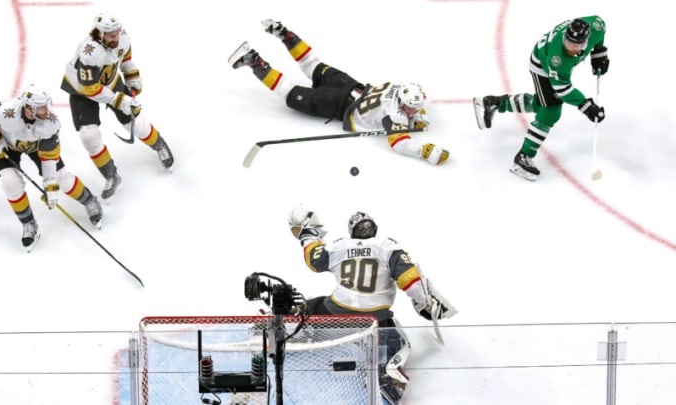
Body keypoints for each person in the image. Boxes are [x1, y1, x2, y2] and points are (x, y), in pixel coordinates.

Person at [287, 204, 457, 404]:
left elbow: (314, 260)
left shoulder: (340, 246)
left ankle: (289, 328)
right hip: (376, 319)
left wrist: (308, 234)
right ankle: (387, 377)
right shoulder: (387, 245)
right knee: (397, 343)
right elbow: (409, 279)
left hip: (338, 312)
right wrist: (425, 302)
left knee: (310, 307)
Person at [229, 19, 449, 166]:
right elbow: (399, 143)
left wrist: (419, 118)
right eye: (411, 108)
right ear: (402, 103)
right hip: (337, 104)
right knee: (289, 94)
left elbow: (409, 108)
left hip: (349, 84)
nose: (412, 110)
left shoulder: (398, 88)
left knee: (312, 64)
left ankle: (284, 33)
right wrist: (425, 152)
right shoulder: (395, 116)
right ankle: (254, 61)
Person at [473, 16, 609, 181]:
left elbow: (601, 30)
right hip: (542, 65)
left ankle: (495, 104)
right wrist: (587, 106)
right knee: (550, 111)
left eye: (575, 45)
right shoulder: (557, 59)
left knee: (541, 103)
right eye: (568, 41)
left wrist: (598, 53)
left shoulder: (595, 25)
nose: (570, 47)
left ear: (585, 42)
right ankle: (523, 157)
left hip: (551, 62)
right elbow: (563, 89)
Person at [0, 84, 104, 252]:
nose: (46, 110)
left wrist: (50, 186)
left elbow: (49, 157)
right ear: (29, 107)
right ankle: (28, 223)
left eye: (45, 106)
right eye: (41, 107)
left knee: (62, 178)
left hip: (37, 147)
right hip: (7, 146)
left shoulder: (51, 123)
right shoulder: (5, 113)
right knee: (10, 183)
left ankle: (90, 200)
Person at [60, 11, 174, 200]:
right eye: (111, 34)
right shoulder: (89, 52)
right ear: (99, 34)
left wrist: (133, 77)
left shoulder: (122, 38)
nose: (115, 37)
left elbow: (126, 60)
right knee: (89, 135)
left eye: (117, 32)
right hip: (82, 92)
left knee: (134, 120)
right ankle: (110, 174)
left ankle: (159, 144)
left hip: (109, 81)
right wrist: (119, 100)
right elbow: (90, 89)